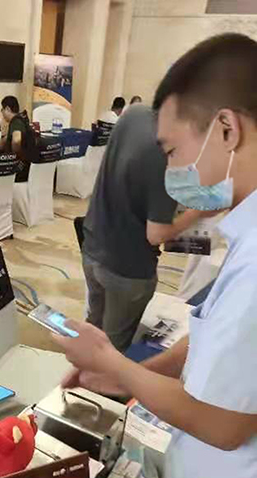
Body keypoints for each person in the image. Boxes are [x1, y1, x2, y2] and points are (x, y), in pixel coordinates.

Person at [53, 33, 257, 478]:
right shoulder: (245, 231)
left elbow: (225, 425)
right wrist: (133, 373)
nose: (171, 172)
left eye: (173, 151)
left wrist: (115, 362)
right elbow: (218, 335)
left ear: (226, 129)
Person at [79, 104, 209, 351]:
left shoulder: (134, 114)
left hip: (94, 250)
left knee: (92, 330)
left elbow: (131, 181)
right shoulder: (169, 153)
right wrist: (198, 213)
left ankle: (81, 369)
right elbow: (156, 234)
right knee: (111, 351)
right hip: (128, 270)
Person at [0, 95, 35, 182]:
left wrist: (14, 157)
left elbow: (16, 140)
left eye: (2, 110)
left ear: (7, 109)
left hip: (20, 169)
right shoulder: (22, 119)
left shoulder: (16, 122)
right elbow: (7, 138)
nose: (2, 113)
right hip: (28, 167)